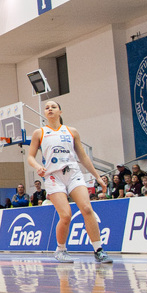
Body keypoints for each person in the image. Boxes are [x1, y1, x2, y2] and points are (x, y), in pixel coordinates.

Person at [26, 100, 111, 264]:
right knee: (65, 215)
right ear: (45, 113)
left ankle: (99, 250)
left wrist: (98, 176)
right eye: (47, 108)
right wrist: (38, 167)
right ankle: (61, 250)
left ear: (60, 111)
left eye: (53, 107)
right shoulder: (39, 133)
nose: (50, 109)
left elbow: (83, 157)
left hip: (73, 173)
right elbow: (30, 157)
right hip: (53, 176)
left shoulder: (72, 131)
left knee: (87, 208)